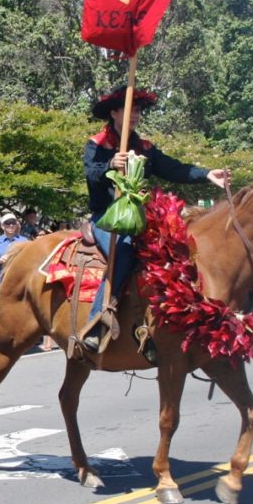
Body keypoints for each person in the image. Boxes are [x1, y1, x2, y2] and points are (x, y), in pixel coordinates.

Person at [82, 85, 228, 352]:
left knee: (171, 251)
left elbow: (173, 168)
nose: (135, 114)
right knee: (124, 254)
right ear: (113, 112)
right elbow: (90, 174)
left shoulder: (144, 147)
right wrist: (109, 166)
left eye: (137, 110)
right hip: (107, 217)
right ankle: (97, 321)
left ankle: (158, 327)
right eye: (129, 109)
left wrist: (206, 173)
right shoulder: (97, 144)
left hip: (138, 215)